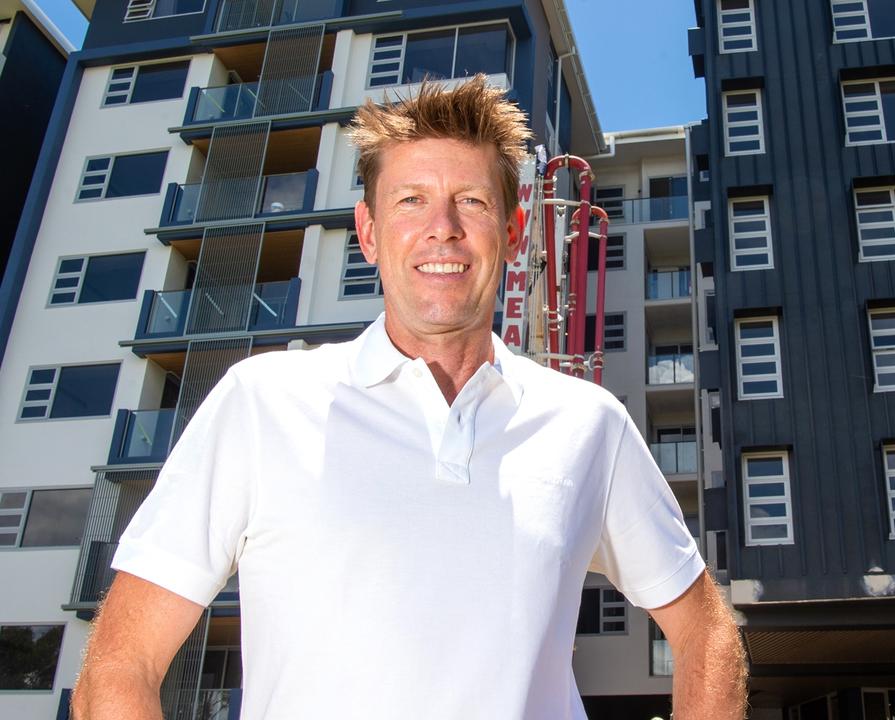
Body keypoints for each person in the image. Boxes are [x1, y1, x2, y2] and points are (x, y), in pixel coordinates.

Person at [72, 76, 747, 719]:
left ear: (512, 232)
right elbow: (120, 664)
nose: (443, 227)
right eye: (411, 199)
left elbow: (705, 632)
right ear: (368, 233)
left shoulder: (588, 425)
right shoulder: (262, 402)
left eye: (472, 201)